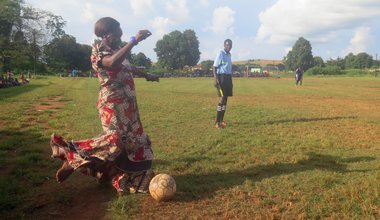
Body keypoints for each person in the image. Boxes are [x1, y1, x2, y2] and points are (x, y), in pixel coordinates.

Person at [50, 17, 159, 195]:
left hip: (129, 106)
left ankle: (117, 176)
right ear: (107, 34)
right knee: (115, 140)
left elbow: (127, 67)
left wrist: (147, 75)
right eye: (118, 31)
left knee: (136, 142)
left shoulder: (117, 50)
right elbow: (111, 63)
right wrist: (134, 41)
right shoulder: (99, 49)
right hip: (112, 105)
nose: (122, 34)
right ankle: (72, 155)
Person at [213, 39, 233, 129]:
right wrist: (216, 80)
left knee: (226, 99)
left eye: (230, 45)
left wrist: (230, 80)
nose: (229, 46)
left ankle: (222, 121)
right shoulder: (220, 53)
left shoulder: (229, 55)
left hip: (228, 77)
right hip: (221, 77)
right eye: (228, 45)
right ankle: (217, 122)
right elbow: (214, 67)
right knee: (222, 99)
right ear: (224, 45)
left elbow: (228, 68)